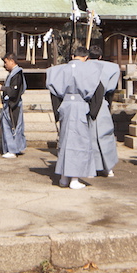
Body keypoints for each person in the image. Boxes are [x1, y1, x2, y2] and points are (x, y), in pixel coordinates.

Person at [46, 46, 103, 189]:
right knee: (79, 143)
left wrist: (57, 112)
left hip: (65, 105)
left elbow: (53, 92)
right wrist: (93, 111)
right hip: (80, 106)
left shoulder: (58, 70)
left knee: (65, 141)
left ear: (72, 56)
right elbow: (99, 90)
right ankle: (74, 179)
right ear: (86, 58)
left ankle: (64, 178)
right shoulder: (91, 70)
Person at [87, 45, 120, 177]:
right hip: (103, 102)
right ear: (100, 56)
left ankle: (91, 167)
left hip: (87, 102)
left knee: (90, 136)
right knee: (105, 134)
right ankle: (108, 167)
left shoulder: (84, 66)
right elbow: (111, 88)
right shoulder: (112, 67)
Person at [0, 52, 26, 158]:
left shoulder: (17, 74)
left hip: (14, 103)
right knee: (11, 125)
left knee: (12, 126)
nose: (5, 65)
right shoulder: (13, 74)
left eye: (6, 62)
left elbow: (14, 91)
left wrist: (2, 88)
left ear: (12, 61)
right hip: (10, 103)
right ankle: (14, 148)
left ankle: (13, 149)